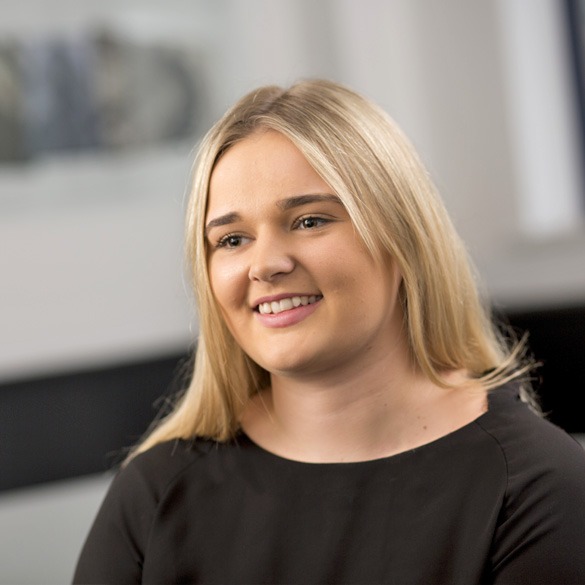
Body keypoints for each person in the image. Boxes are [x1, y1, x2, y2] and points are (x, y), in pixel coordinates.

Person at [73, 79, 585, 585]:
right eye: (231, 239)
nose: (265, 264)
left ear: (401, 236)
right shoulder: (154, 492)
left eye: (309, 221)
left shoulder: (535, 487)